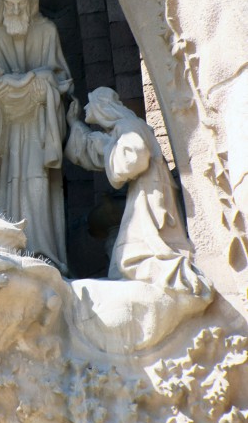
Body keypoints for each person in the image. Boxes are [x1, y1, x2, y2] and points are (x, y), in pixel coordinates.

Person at [0, 0, 72, 273]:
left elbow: (63, 79)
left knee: (38, 183)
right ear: (1, 3)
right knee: (4, 181)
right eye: (8, 5)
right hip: (5, 125)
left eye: (19, 5)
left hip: (38, 123)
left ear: (30, 2)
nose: (13, 11)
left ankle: (41, 249)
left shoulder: (47, 31)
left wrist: (44, 84)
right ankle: (5, 246)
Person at [65, 87, 211, 295]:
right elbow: (98, 150)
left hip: (149, 193)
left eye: (90, 102)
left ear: (102, 107)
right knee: (128, 256)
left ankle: (171, 285)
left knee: (136, 255)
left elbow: (134, 159)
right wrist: (75, 125)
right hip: (145, 192)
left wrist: (107, 148)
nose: (86, 107)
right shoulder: (122, 129)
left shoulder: (129, 126)